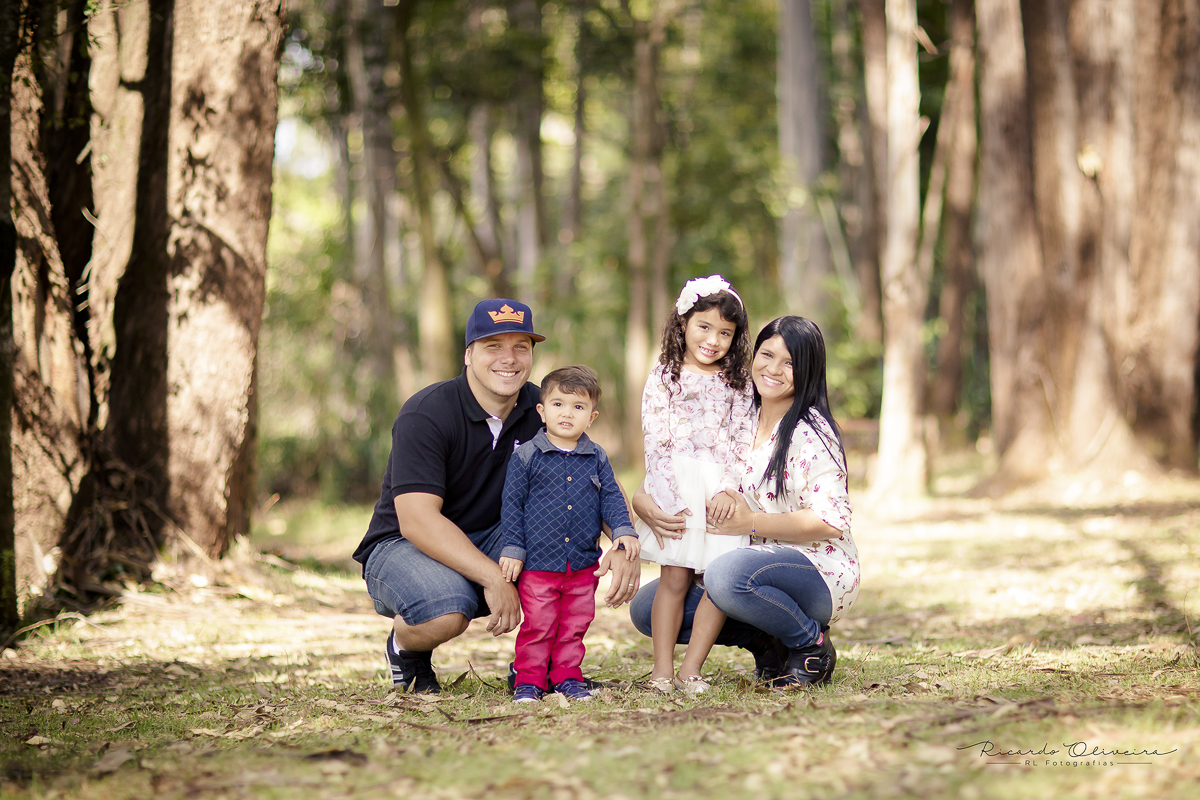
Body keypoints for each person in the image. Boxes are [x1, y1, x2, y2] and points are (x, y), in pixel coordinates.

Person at [352, 299, 642, 694]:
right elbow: (417, 519)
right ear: (469, 353)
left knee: (567, 533)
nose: (509, 358)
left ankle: (536, 667)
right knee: (448, 611)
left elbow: (595, 474)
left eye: (521, 346)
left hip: (494, 535)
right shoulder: (428, 413)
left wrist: (624, 539)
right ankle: (405, 648)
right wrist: (493, 578)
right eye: (493, 345)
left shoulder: (543, 406)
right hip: (404, 543)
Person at [631, 316, 859, 688]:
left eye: (790, 363)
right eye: (767, 355)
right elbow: (686, 462)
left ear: (809, 371)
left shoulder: (811, 432)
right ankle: (766, 642)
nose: (774, 369)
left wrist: (747, 523)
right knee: (647, 608)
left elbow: (832, 521)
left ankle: (809, 643)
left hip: (816, 569)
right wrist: (643, 499)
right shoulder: (738, 413)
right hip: (745, 564)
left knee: (724, 577)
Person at [635, 275, 755, 694]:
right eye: (704, 326)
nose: (713, 339)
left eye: (725, 332)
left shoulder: (738, 382)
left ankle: (691, 670)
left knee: (716, 581)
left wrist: (728, 488)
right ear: (683, 323)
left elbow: (743, 438)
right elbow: (655, 440)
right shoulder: (664, 376)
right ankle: (662, 672)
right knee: (675, 578)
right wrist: (667, 496)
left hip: (720, 490)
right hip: (677, 486)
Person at [498, 367, 642, 703]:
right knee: (539, 626)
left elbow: (611, 497)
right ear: (542, 411)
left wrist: (623, 532)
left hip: (580, 563)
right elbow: (512, 504)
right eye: (558, 404)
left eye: (577, 407)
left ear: (591, 417)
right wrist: (513, 548)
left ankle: (567, 677)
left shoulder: (596, 457)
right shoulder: (527, 457)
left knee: (574, 626)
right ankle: (529, 682)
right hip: (538, 563)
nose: (567, 413)